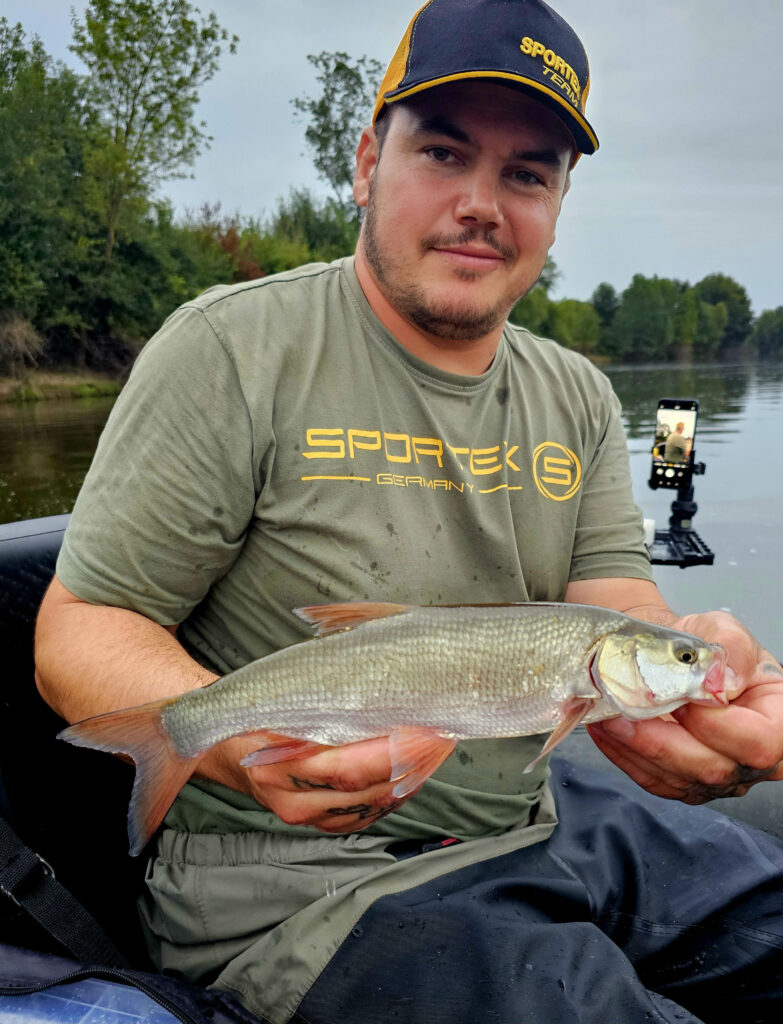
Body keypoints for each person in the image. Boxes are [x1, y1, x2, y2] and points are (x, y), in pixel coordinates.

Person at [34, 1, 783, 1022]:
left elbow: (616, 607)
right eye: (442, 151)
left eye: (527, 173)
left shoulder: (579, 393)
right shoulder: (228, 350)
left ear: (560, 203)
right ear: (365, 162)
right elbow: (78, 626)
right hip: (302, 883)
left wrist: (698, 668)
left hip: (541, 820)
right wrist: (222, 743)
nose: (482, 203)